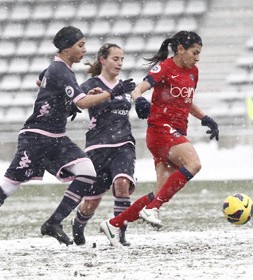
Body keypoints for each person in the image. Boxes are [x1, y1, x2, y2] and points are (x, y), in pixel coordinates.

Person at [0, 26, 135, 246]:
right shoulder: (61, 69)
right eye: (80, 45)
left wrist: (67, 99)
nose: (84, 49)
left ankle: (53, 222)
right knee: (8, 185)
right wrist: (112, 92)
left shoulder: (59, 69)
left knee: (86, 171)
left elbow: (42, 81)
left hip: (56, 137)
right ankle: (56, 222)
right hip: (36, 137)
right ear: (66, 48)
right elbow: (80, 102)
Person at [99, 31, 219, 247]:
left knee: (159, 192)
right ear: (180, 49)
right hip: (161, 130)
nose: (197, 57)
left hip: (176, 131)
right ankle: (152, 209)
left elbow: (186, 99)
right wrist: (140, 101)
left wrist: (205, 118)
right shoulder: (164, 67)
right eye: (195, 52)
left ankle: (114, 224)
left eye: (199, 53)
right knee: (194, 164)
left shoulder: (193, 71)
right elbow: (138, 89)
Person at [70, 43, 138, 246]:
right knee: (91, 202)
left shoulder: (125, 87)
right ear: (103, 60)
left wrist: (143, 105)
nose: (119, 63)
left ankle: (120, 233)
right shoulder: (91, 85)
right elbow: (76, 102)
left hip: (124, 144)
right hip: (97, 147)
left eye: (122, 59)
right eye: (115, 59)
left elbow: (133, 102)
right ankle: (78, 224)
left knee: (122, 184)